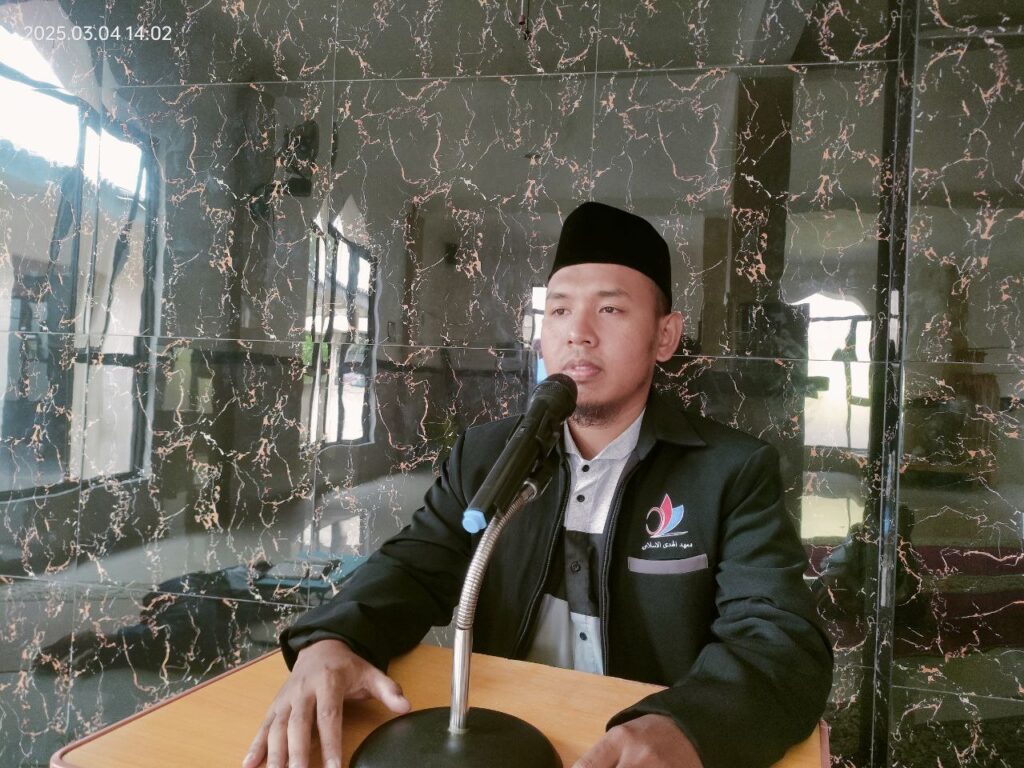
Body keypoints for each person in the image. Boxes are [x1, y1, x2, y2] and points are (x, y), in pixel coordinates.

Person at [243, 202, 833, 768]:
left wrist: (689, 726)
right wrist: (332, 640)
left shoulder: (730, 472)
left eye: (610, 309)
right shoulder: (487, 455)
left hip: (639, 744)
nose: (578, 333)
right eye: (558, 311)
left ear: (665, 336)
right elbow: (414, 566)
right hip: (501, 735)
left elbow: (778, 641)